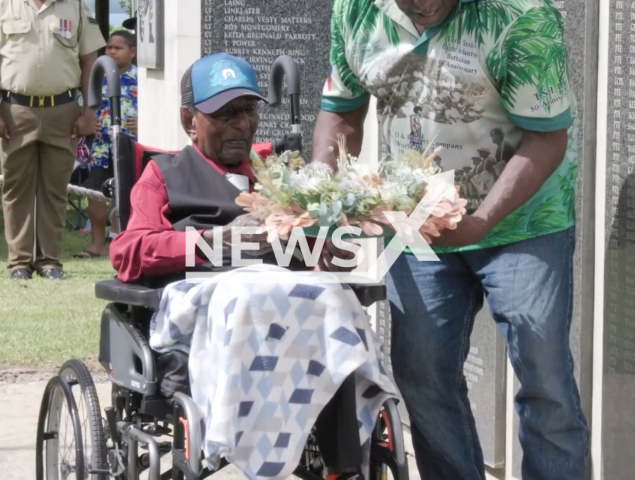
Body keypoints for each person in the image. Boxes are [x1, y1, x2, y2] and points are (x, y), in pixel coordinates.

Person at [312, 1, 588, 480]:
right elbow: (341, 113)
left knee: (544, 376)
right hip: (420, 226)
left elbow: (546, 138)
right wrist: (319, 197)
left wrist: (481, 220)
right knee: (422, 376)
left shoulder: (521, 15)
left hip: (524, 222)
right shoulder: (353, 11)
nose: (425, 3)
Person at [110, 53, 366, 480]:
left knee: (331, 302)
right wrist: (213, 243)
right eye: (225, 114)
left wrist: (327, 244)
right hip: (204, 311)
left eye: (248, 112)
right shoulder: (163, 175)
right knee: (246, 297)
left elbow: (309, 253)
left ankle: (343, 467)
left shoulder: (276, 177)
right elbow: (129, 251)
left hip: (286, 319)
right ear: (189, 120)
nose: (242, 125)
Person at [0, 0, 106, 280]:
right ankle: (19, 263)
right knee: (16, 187)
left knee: (55, 189)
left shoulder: (76, 6)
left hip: (63, 111)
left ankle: (50, 262)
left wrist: (89, 111)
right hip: (14, 110)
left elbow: (89, 60)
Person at [75, 30, 138, 259]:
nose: (111, 51)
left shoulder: (143, 80)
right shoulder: (96, 79)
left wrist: (144, 121)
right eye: (108, 47)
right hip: (101, 148)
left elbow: (162, 108)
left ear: (133, 52)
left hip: (131, 147)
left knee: (134, 194)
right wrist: (87, 123)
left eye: (117, 48)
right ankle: (97, 244)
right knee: (95, 192)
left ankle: (130, 241)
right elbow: (83, 108)